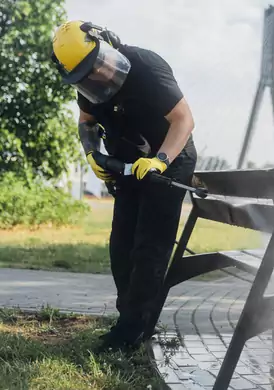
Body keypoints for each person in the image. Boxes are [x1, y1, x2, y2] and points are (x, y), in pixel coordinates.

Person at [51, 20, 198, 351]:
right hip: (130, 162)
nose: (96, 77)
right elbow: (86, 123)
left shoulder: (147, 67)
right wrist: (92, 155)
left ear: (107, 44)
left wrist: (160, 160)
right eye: (85, 76)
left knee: (149, 246)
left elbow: (184, 120)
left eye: (97, 66)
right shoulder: (88, 84)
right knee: (121, 244)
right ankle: (128, 319)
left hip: (169, 159)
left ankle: (134, 330)